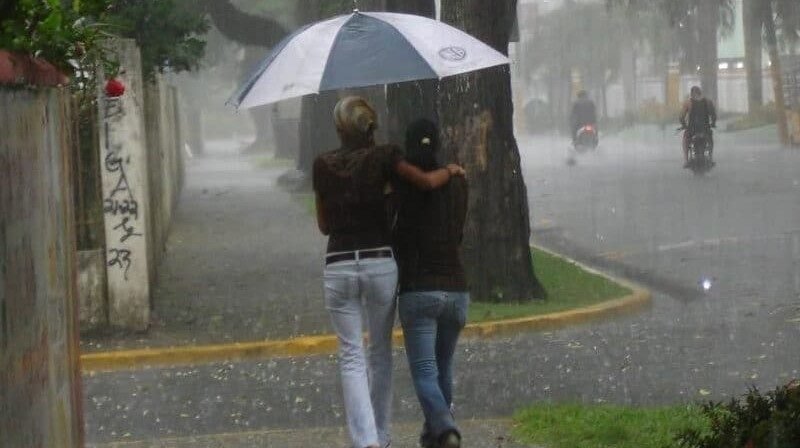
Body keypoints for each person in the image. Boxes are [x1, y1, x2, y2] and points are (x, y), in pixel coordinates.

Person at [312, 97, 465, 448]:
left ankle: (366, 440)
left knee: (351, 354)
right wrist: (451, 171)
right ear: (371, 127)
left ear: (339, 130)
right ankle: (381, 435)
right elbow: (424, 182)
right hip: (379, 262)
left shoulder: (322, 165)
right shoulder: (384, 157)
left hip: (338, 265)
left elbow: (324, 225)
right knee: (380, 352)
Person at [394, 119, 469, 448]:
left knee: (425, 371)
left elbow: (397, 234)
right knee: (443, 367)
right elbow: (458, 232)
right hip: (457, 288)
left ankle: (445, 427)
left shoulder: (401, 186)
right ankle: (434, 434)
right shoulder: (458, 183)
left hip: (419, 287)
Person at [680, 86, 717, 168]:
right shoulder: (708, 102)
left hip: (692, 129)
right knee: (710, 140)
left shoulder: (688, 103)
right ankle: (710, 157)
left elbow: (681, 117)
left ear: (691, 93)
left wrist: (683, 125)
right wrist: (713, 123)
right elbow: (713, 115)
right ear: (700, 93)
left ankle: (686, 160)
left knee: (685, 140)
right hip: (705, 129)